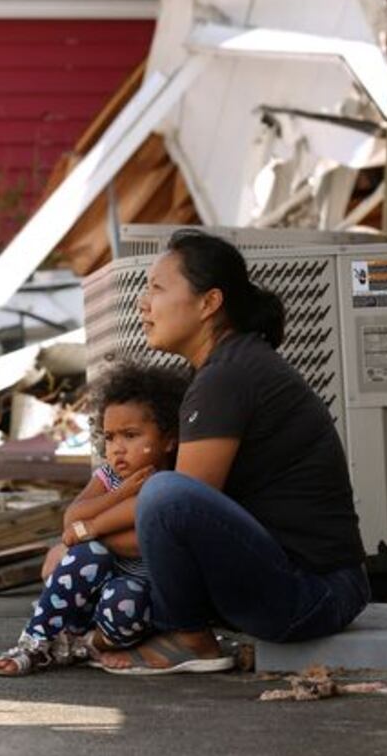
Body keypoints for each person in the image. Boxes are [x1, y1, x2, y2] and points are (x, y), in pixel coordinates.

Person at [98, 229, 370, 676]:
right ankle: (183, 632)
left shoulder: (229, 375)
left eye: (158, 288)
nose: (143, 303)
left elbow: (173, 519)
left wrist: (85, 532)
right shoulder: (228, 367)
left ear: (208, 304)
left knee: (166, 494)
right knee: (161, 499)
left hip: (314, 594)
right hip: (312, 587)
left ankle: (189, 638)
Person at [0, 362, 208, 676]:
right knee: (88, 553)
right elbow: (72, 518)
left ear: (169, 440)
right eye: (110, 437)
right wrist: (121, 494)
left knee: (124, 595)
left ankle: (85, 644)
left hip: (138, 603)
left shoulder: (171, 484)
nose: (118, 449)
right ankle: (35, 642)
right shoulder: (108, 477)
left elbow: (137, 544)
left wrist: (90, 530)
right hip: (90, 593)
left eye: (131, 436)